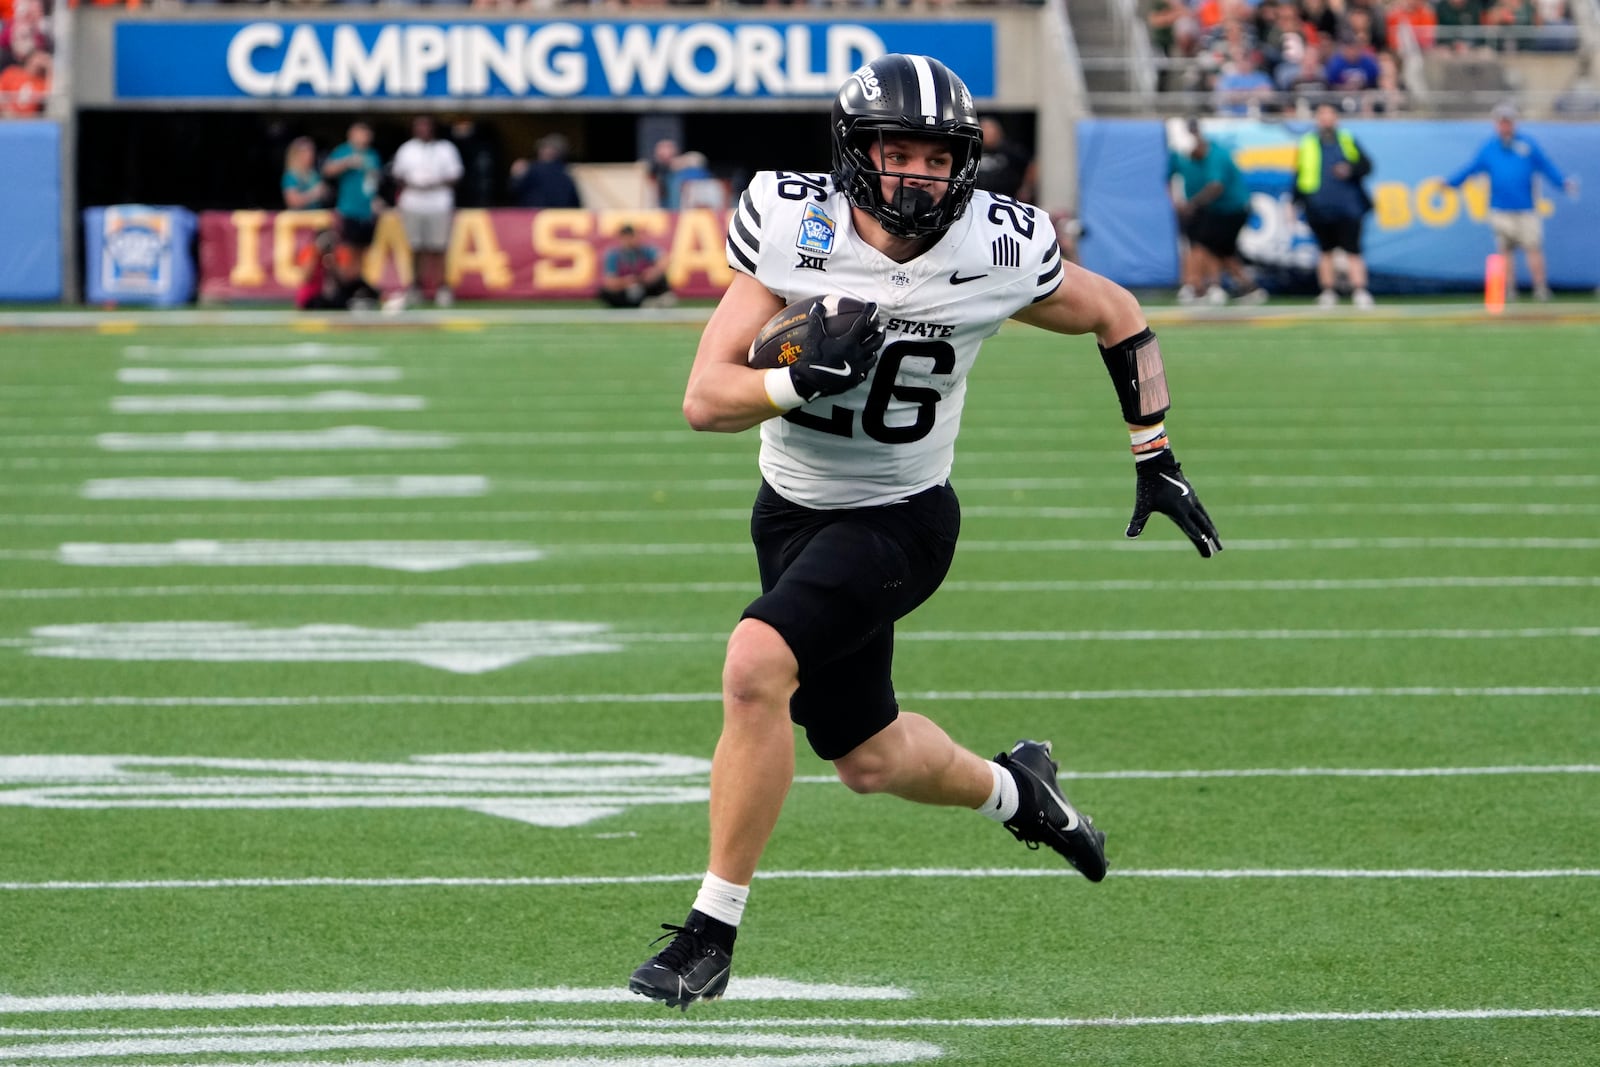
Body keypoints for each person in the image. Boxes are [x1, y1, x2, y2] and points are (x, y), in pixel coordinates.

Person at [627, 53, 1222, 1012]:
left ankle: (710, 931)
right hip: (791, 511)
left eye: (933, 155)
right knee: (868, 758)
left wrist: (1154, 453)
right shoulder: (794, 223)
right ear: (854, 155)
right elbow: (706, 399)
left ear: (965, 162)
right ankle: (1022, 793)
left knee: (753, 666)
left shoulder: (996, 245)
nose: (913, 174)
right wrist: (796, 378)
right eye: (892, 151)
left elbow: (1116, 312)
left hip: (904, 516)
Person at [1444, 103, 1579, 301]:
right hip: (1500, 208)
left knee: (1533, 247)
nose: (1505, 125)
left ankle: (1540, 289)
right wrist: (1450, 183)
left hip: (1525, 207)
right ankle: (1510, 290)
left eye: (1508, 121)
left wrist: (1563, 182)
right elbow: (1471, 169)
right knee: (1505, 250)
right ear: (1496, 124)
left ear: (1514, 123)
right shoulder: (1489, 148)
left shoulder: (1527, 144)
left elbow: (1546, 166)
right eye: (1501, 122)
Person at [1168, 119, 1268, 305]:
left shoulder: (1216, 155)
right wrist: (1176, 202)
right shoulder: (1182, 155)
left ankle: (1198, 286)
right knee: (1222, 251)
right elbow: (1169, 176)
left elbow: (1216, 186)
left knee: (1204, 245)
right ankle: (1246, 288)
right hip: (1211, 209)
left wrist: (1192, 205)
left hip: (1231, 210)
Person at [1293, 103, 1376, 307]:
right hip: (1319, 205)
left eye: (1329, 114)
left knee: (1353, 250)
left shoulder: (1347, 139)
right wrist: (1297, 201)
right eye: (1322, 115)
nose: (1326, 119)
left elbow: (1367, 166)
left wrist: (1350, 168)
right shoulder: (1308, 142)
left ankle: (1359, 290)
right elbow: (1299, 173)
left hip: (1348, 205)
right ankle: (1328, 290)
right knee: (1325, 250)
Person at [390, 115, 463, 308]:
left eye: (426, 126)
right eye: (419, 126)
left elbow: (456, 175)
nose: (422, 129)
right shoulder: (407, 149)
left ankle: (442, 287)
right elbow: (397, 175)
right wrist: (415, 184)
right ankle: (416, 286)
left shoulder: (445, 149)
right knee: (416, 247)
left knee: (438, 247)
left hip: (438, 201)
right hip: (413, 201)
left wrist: (434, 183)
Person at [322, 121, 384, 255]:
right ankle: (344, 276)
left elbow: (373, 182)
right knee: (346, 249)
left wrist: (375, 199)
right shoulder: (343, 151)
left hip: (367, 211)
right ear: (352, 135)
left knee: (364, 249)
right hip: (348, 210)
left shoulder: (372, 155)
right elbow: (327, 170)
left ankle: (357, 275)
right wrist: (346, 163)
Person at [294, 227, 379, 312]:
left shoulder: (335, 255)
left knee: (357, 286)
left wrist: (332, 264)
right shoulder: (311, 252)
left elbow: (345, 280)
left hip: (329, 297)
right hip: (312, 298)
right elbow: (306, 277)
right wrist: (317, 254)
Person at [598, 224, 673, 309]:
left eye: (631, 237)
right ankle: (642, 304)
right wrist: (626, 282)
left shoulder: (645, 250)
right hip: (626, 288)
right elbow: (609, 282)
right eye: (626, 237)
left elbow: (664, 260)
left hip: (644, 285)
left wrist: (653, 272)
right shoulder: (614, 255)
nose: (628, 240)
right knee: (604, 292)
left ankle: (650, 301)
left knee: (660, 277)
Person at [509, 133, 583, 209]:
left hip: (534, 217)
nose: (540, 150)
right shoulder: (569, 174)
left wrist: (517, 176)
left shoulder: (533, 169)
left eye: (544, 147)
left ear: (552, 151)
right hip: (560, 217)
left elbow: (513, 191)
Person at [974, 117, 1036, 203]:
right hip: (978, 197)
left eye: (991, 132)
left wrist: (1026, 189)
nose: (988, 136)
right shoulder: (973, 151)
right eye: (985, 132)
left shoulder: (1010, 150)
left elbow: (1031, 165)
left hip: (1007, 198)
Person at [281, 136, 330, 211]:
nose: (311, 155)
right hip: (299, 219)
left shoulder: (314, 174)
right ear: (296, 154)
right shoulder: (291, 176)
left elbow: (325, 196)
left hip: (315, 217)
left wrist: (325, 192)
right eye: (306, 151)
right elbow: (292, 202)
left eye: (312, 151)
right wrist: (314, 194)